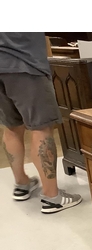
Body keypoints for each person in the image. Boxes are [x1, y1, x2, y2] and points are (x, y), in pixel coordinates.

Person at [0, 32, 82, 213]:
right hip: (24, 63)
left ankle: (21, 184)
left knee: (12, 127)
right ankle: (52, 196)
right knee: (41, 128)